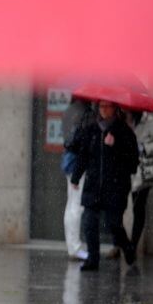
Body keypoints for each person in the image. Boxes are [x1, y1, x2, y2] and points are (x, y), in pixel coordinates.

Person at [68, 101, 139, 271]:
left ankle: (127, 247)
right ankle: (93, 258)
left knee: (114, 224)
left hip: (116, 187)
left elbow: (133, 164)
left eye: (107, 106)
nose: (103, 110)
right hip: (94, 185)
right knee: (89, 222)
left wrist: (115, 146)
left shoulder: (124, 132)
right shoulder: (92, 130)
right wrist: (76, 177)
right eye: (101, 106)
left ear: (115, 108)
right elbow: (83, 155)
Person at [61, 98, 94, 261]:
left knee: (71, 204)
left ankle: (72, 245)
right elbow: (83, 143)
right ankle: (74, 247)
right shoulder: (84, 113)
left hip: (71, 161)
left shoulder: (70, 110)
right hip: (77, 164)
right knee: (76, 205)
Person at [127, 110, 153, 253]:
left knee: (139, 206)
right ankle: (121, 244)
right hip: (124, 168)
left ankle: (133, 244)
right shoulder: (121, 117)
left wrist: (145, 148)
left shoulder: (148, 120)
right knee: (118, 207)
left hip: (142, 171)